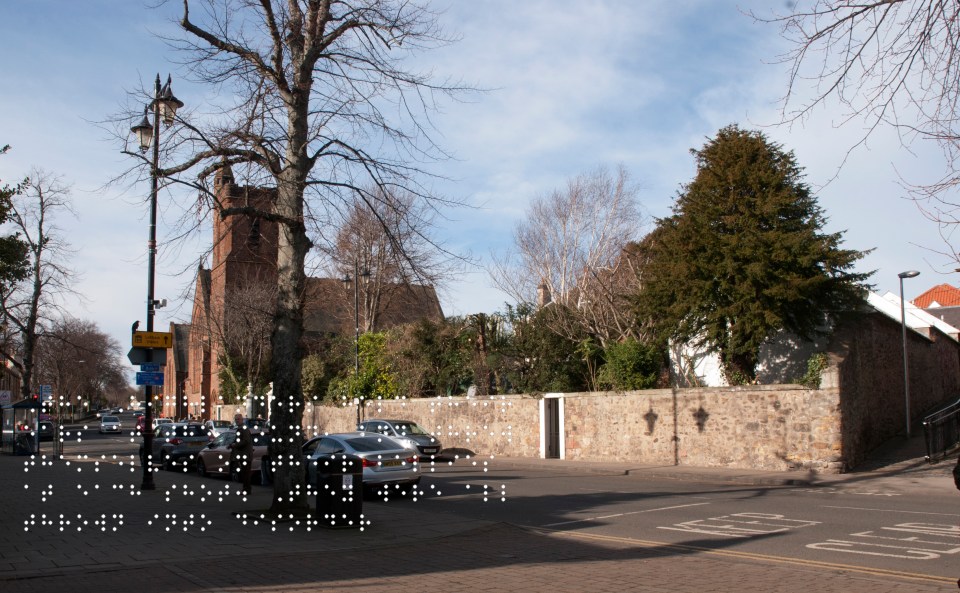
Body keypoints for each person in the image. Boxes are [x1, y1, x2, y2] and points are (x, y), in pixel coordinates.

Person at [229, 412, 254, 494]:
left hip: (245, 455)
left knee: (246, 473)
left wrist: (235, 445)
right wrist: (231, 445)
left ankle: (246, 490)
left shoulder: (244, 428)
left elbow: (246, 441)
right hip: (243, 455)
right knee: (244, 473)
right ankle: (246, 489)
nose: (237, 421)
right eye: (236, 419)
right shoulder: (240, 428)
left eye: (238, 419)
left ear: (242, 419)